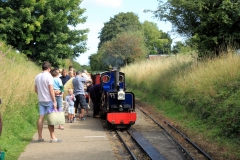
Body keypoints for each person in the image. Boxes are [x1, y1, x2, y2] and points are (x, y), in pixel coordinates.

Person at [34, 61, 62, 143]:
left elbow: (35, 90)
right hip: (49, 100)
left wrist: (41, 95)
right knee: (51, 119)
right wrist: (54, 101)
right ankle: (53, 137)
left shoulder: (37, 76)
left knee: (40, 118)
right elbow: (51, 90)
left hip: (41, 100)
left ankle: (40, 137)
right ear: (49, 68)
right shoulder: (49, 76)